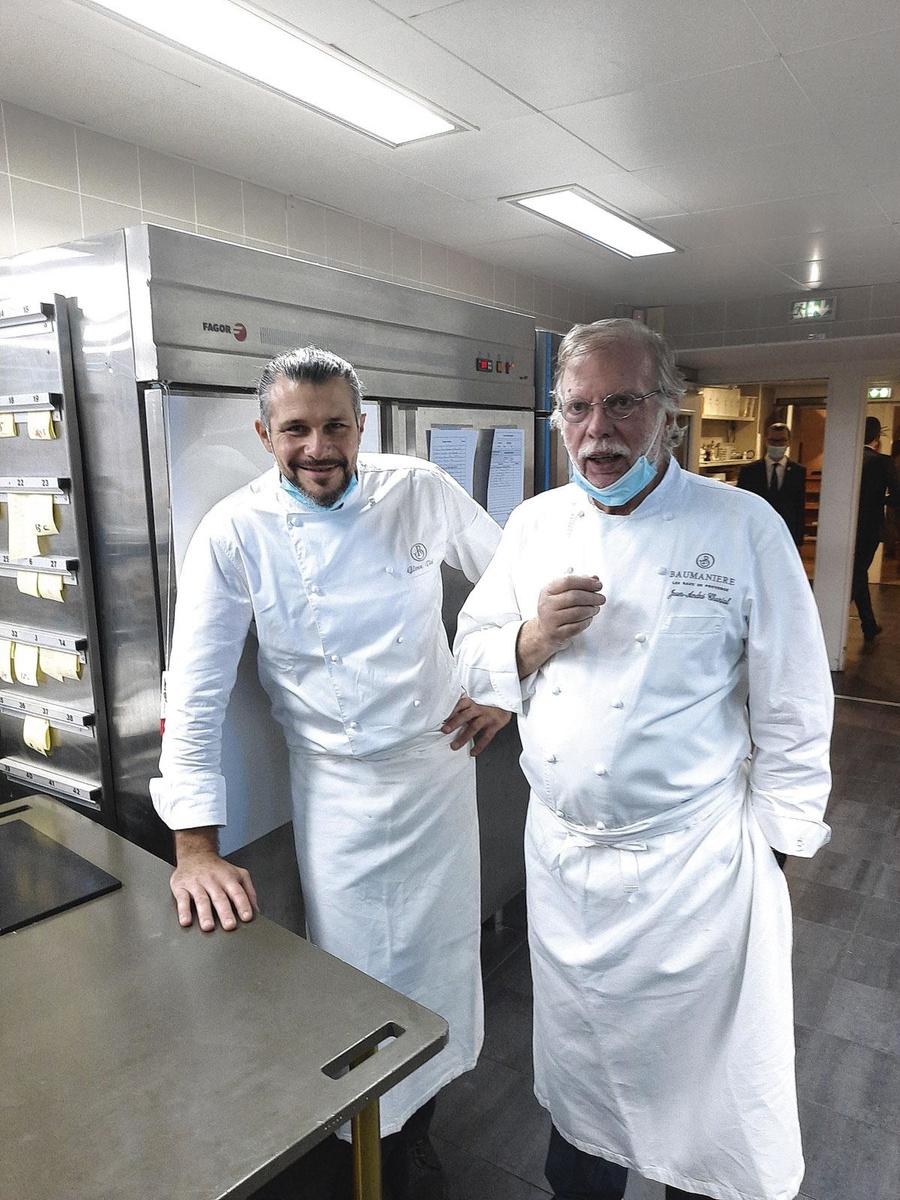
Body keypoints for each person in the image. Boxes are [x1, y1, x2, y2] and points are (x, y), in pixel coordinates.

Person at [454, 319, 833, 1200]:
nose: (600, 429)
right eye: (579, 407)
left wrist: (772, 851)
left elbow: (795, 701)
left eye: (623, 402)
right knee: (582, 1082)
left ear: (666, 412)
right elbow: (472, 656)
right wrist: (533, 637)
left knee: (704, 1103)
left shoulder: (741, 527)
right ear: (558, 420)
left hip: (690, 874)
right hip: (564, 866)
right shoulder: (536, 523)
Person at [150, 345, 510, 1200]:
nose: (320, 448)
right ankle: (364, 1139)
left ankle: (417, 1129)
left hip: (437, 770)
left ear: (363, 425)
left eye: (336, 426)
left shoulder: (417, 488)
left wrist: (504, 688)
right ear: (264, 432)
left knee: (444, 957)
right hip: (337, 788)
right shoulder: (234, 532)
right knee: (355, 977)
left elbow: (512, 580)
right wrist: (194, 850)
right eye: (297, 429)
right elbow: (193, 695)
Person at [851, 415, 898, 643]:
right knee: (858, 572)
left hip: (845, 524)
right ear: (877, 436)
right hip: (869, 526)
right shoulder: (882, 462)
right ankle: (828, 619)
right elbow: (897, 494)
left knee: (857, 572)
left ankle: (868, 623)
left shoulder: (848, 458)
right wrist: (882, 501)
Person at [737, 421, 807, 546]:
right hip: (756, 531)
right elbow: (741, 505)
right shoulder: (749, 471)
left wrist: (798, 540)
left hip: (786, 531)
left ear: (788, 442)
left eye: (781, 441)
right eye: (773, 441)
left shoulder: (798, 471)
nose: (777, 445)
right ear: (766, 441)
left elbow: (799, 507)